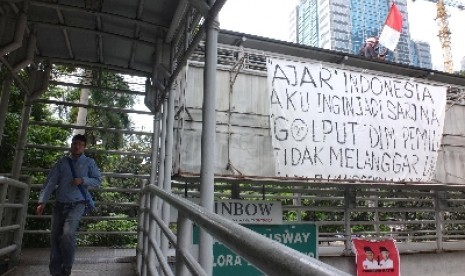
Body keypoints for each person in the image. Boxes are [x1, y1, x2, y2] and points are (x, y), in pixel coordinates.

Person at [36, 134, 102, 276]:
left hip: (77, 203)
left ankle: (67, 266)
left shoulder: (89, 162)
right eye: (75, 143)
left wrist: (82, 180)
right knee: (54, 238)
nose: (77, 146)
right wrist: (42, 201)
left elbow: (97, 181)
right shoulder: (62, 162)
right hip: (60, 204)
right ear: (71, 145)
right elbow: (51, 182)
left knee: (68, 234)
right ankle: (55, 271)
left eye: (80, 144)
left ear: (84, 147)